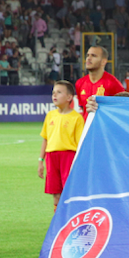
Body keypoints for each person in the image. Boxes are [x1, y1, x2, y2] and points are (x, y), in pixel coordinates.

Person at [39, 81, 84, 210]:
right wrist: (40, 160)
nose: (54, 95)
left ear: (69, 97)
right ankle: (57, 223)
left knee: (68, 191)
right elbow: (45, 139)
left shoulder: (77, 118)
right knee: (55, 193)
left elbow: (80, 144)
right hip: (51, 158)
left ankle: (70, 220)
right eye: (53, 93)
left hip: (68, 157)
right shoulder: (50, 115)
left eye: (59, 92)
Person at [75, 45, 124, 119]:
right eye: (88, 55)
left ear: (103, 61)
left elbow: (121, 111)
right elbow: (83, 109)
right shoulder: (79, 83)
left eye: (93, 56)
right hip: (86, 128)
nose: (88, 58)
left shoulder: (114, 84)